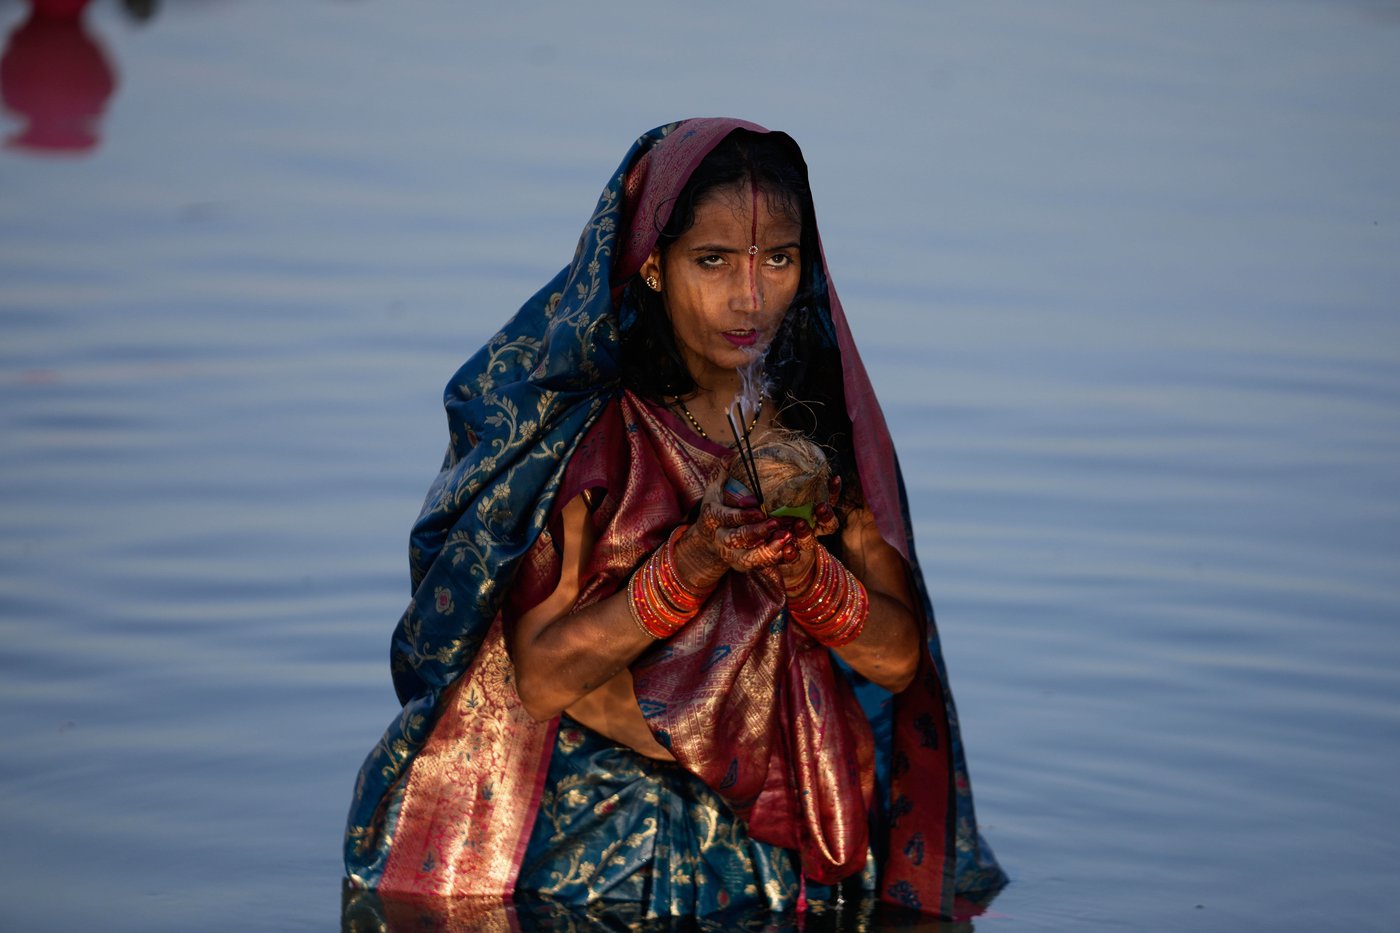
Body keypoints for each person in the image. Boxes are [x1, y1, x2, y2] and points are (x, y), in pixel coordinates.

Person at [344, 118, 1005, 923]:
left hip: (771, 843)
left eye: (778, 259)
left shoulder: (820, 433)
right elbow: (543, 677)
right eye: (714, 261)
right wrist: (692, 560)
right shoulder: (598, 438)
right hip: (594, 844)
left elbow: (900, 659)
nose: (750, 298)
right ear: (653, 263)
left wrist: (806, 574)